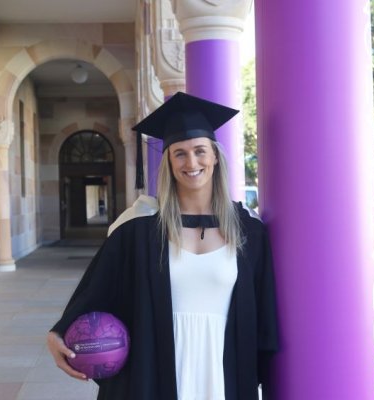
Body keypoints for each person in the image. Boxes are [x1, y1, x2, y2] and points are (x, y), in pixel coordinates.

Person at [47, 92, 278, 400]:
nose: (191, 162)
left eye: (200, 151)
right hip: (155, 368)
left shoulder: (248, 231)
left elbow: (265, 315)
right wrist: (59, 332)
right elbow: (97, 288)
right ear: (168, 162)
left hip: (224, 368)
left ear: (215, 157)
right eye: (179, 153)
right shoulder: (139, 228)